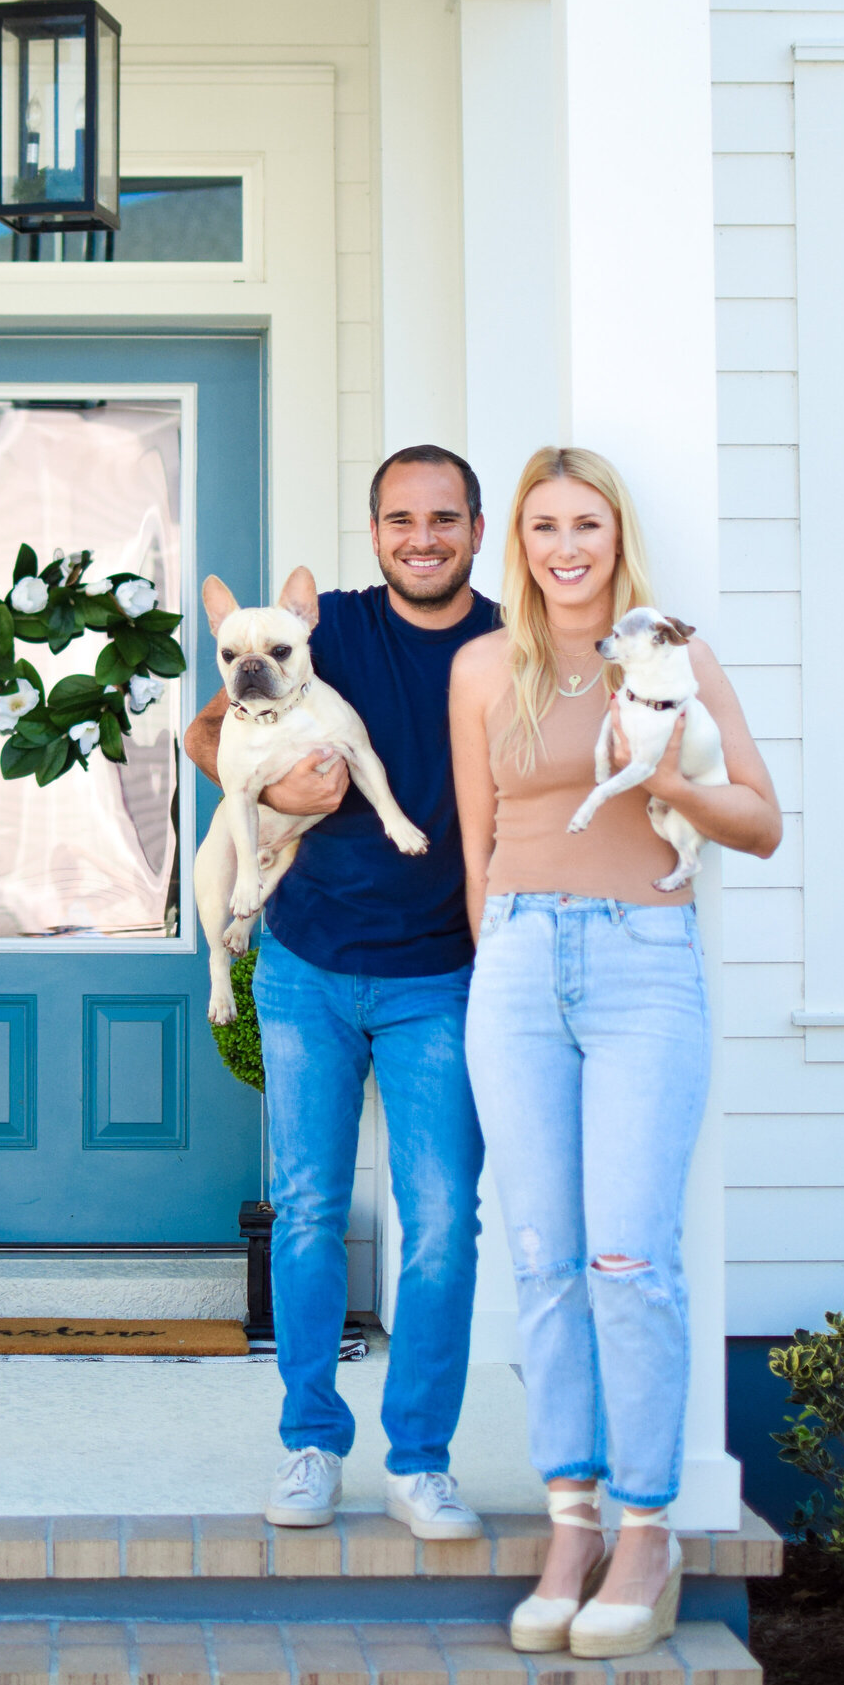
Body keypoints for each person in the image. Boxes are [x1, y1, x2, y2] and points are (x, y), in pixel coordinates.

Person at [449, 447, 780, 1656]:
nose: (565, 545)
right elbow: (478, 847)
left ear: (615, 534)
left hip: (645, 960)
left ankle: (648, 1527)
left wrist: (666, 785)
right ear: (519, 544)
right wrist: (497, 957)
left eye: (585, 522)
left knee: (626, 1258)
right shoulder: (484, 667)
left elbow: (760, 819)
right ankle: (572, 1519)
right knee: (542, 1260)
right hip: (520, 967)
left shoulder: (673, 661)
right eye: (543, 525)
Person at [185, 445, 500, 1534]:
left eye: (443, 518)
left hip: (440, 974)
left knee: (443, 1222)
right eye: (401, 519)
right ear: (374, 532)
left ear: (474, 525)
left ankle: (420, 1458)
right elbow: (205, 732)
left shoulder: (507, 644)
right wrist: (273, 778)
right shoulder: (327, 630)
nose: (422, 537)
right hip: (307, 963)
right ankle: (311, 1444)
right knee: (309, 1211)